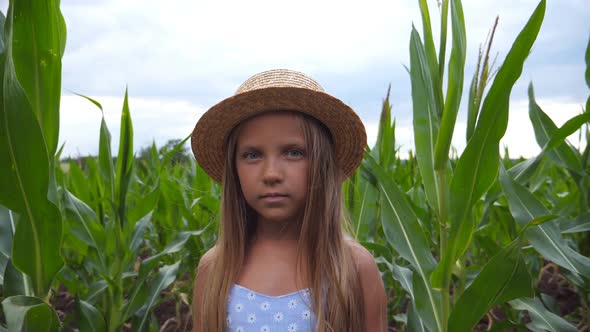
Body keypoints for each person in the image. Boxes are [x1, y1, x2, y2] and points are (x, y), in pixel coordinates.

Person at [191, 69, 387, 331]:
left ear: (322, 165)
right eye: (252, 155)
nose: (271, 173)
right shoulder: (214, 271)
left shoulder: (354, 269)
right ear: (234, 169)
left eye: (294, 152)